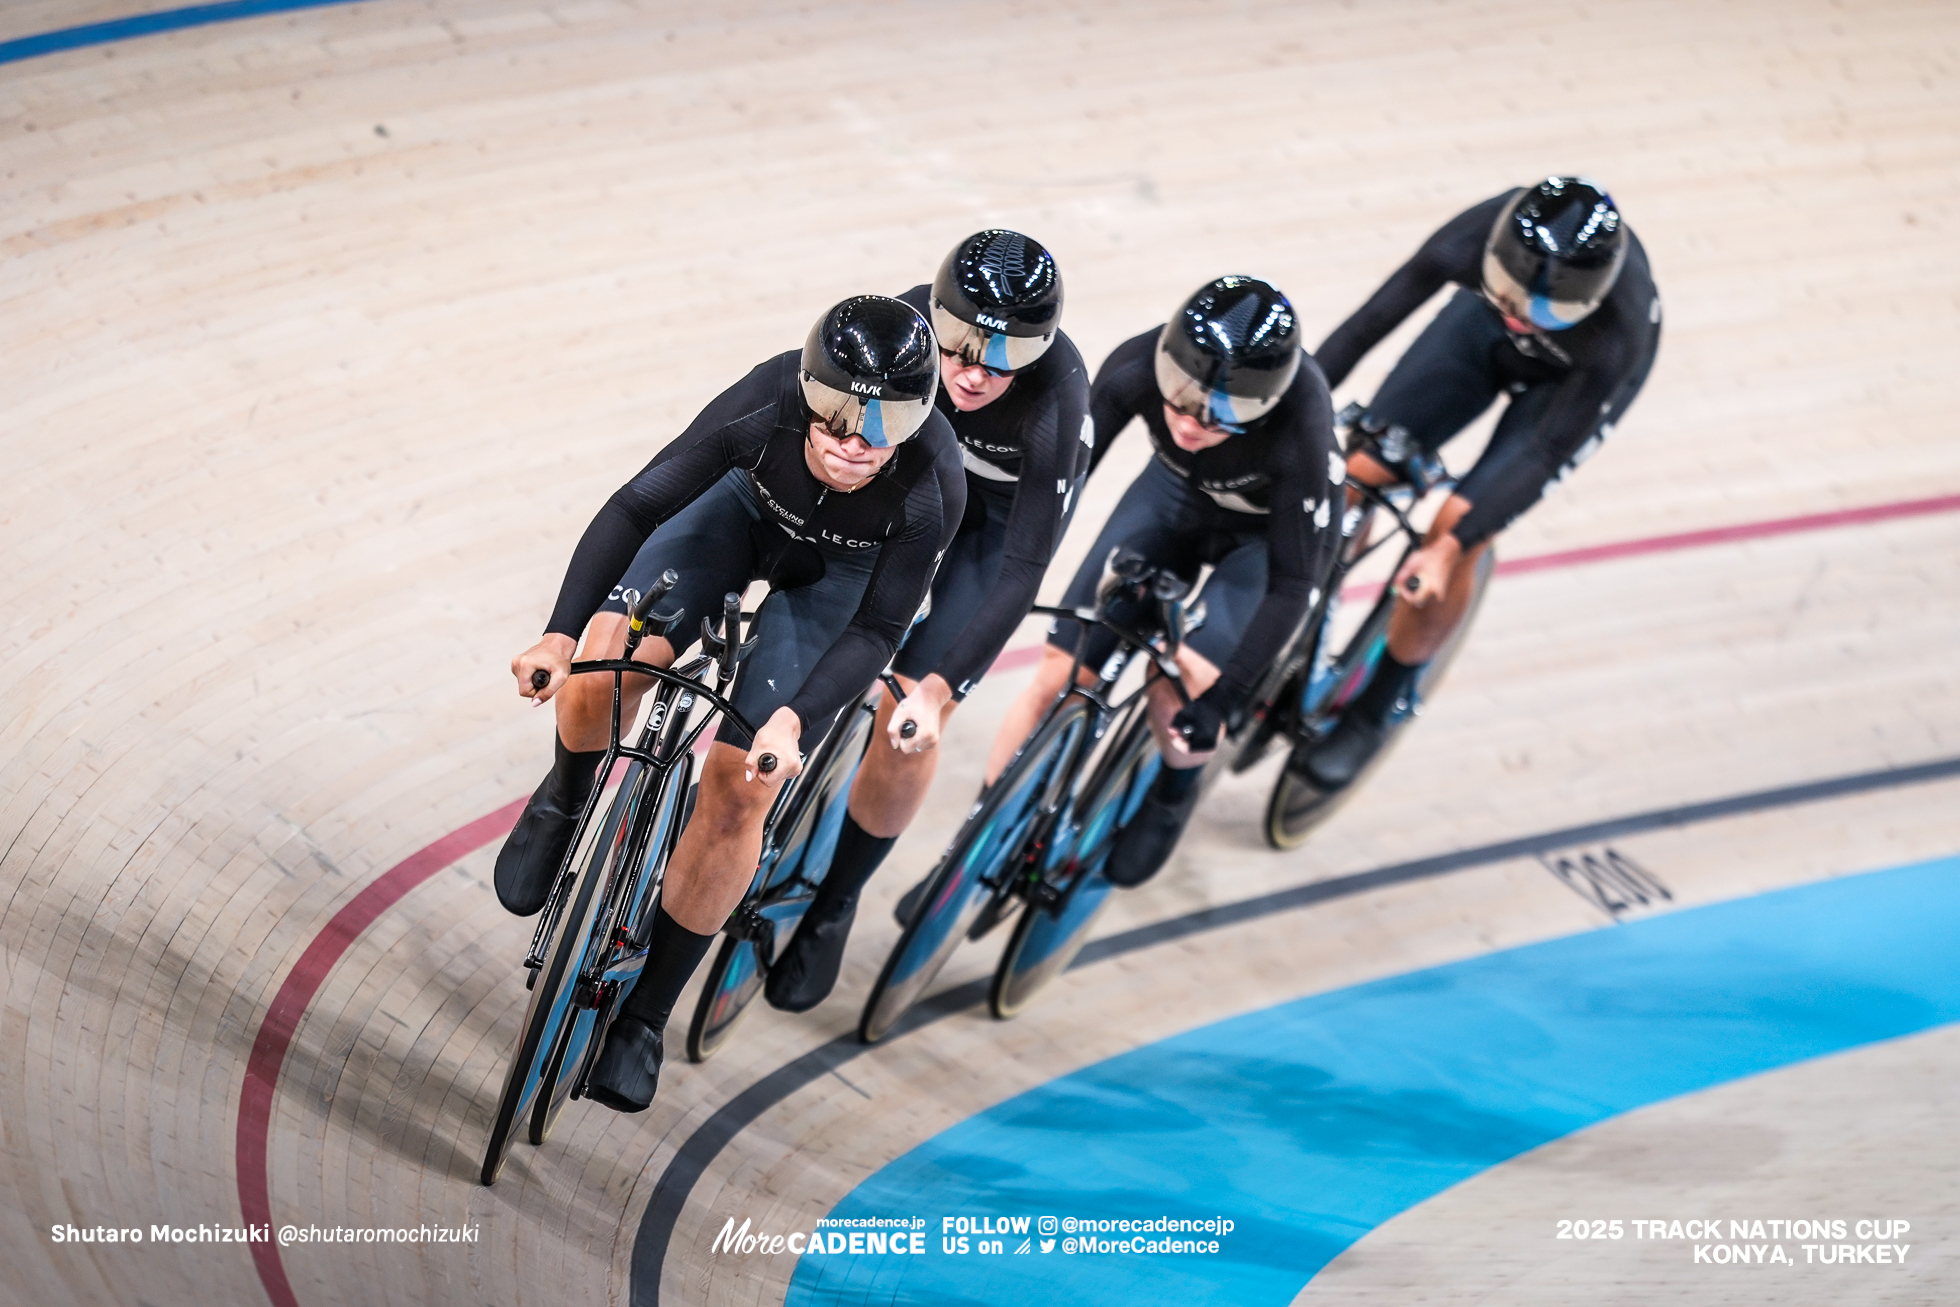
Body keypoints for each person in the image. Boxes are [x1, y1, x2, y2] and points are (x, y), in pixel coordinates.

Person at [497, 294, 963, 1112]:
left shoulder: (932, 484)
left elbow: (882, 625)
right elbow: (637, 504)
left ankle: (644, 1017)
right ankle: (567, 797)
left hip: (836, 586)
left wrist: (796, 718)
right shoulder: (767, 397)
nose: (857, 443)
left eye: (883, 427)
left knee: (745, 785)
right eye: (836, 417)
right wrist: (558, 634)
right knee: (604, 660)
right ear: (809, 390)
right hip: (740, 518)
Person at [761, 230, 1091, 1013]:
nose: (971, 375)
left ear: (1037, 350)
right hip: (911, 491)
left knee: (908, 715)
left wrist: (938, 690)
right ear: (936, 316)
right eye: (959, 350)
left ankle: (837, 898)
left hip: (995, 529)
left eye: (999, 360)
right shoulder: (901, 334)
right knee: (825, 633)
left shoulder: (1058, 402)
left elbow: (1021, 569)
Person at [1294, 176, 1661, 787]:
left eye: (1544, 308)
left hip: (1566, 391)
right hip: (1478, 329)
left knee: (1451, 532)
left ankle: (1379, 704)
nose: (1525, 316)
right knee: (1357, 472)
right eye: (1513, 292)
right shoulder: (1476, 240)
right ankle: (1303, 605)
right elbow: (1364, 329)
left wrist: (1447, 548)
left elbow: (1543, 452)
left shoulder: (1620, 328)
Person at [982, 275, 1342, 892]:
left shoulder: (1302, 433)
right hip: (1173, 496)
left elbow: (1291, 587)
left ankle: (1174, 790)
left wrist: (1222, 702)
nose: (1191, 420)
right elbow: (1060, 483)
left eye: (1221, 413)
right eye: (1181, 395)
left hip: (1262, 540)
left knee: (1179, 687)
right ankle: (976, 844)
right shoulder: (1134, 367)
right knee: (1060, 676)